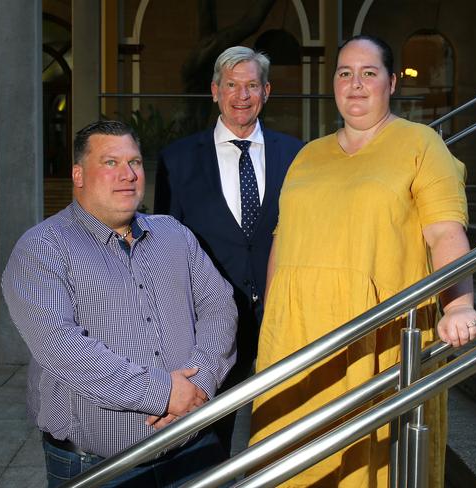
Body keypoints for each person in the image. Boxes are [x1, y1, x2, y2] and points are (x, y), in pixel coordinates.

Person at [249, 35, 476, 487]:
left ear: (391, 83)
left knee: (362, 463)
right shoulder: (307, 155)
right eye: (344, 73)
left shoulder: (420, 143)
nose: (355, 84)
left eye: (368, 73)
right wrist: (270, 320)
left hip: (374, 333)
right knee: (290, 460)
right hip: (297, 335)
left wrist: (458, 306)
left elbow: (445, 232)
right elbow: (284, 240)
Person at [1, 120, 237, 487]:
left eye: (135, 162)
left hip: (193, 448)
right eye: (110, 163)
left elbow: (219, 305)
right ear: (78, 175)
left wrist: (201, 381)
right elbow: (62, 347)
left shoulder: (174, 235)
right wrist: (163, 394)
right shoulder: (42, 249)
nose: (128, 175)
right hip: (101, 469)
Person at [154, 46, 304, 454]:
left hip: (282, 316)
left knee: (287, 429)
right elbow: (166, 243)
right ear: (215, 91)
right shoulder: (178, 159)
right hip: (209, 324)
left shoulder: (297, 156)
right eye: (232, 85)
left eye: (252, 85)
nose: (242, 95)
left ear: (267, 91)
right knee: (206, 436)